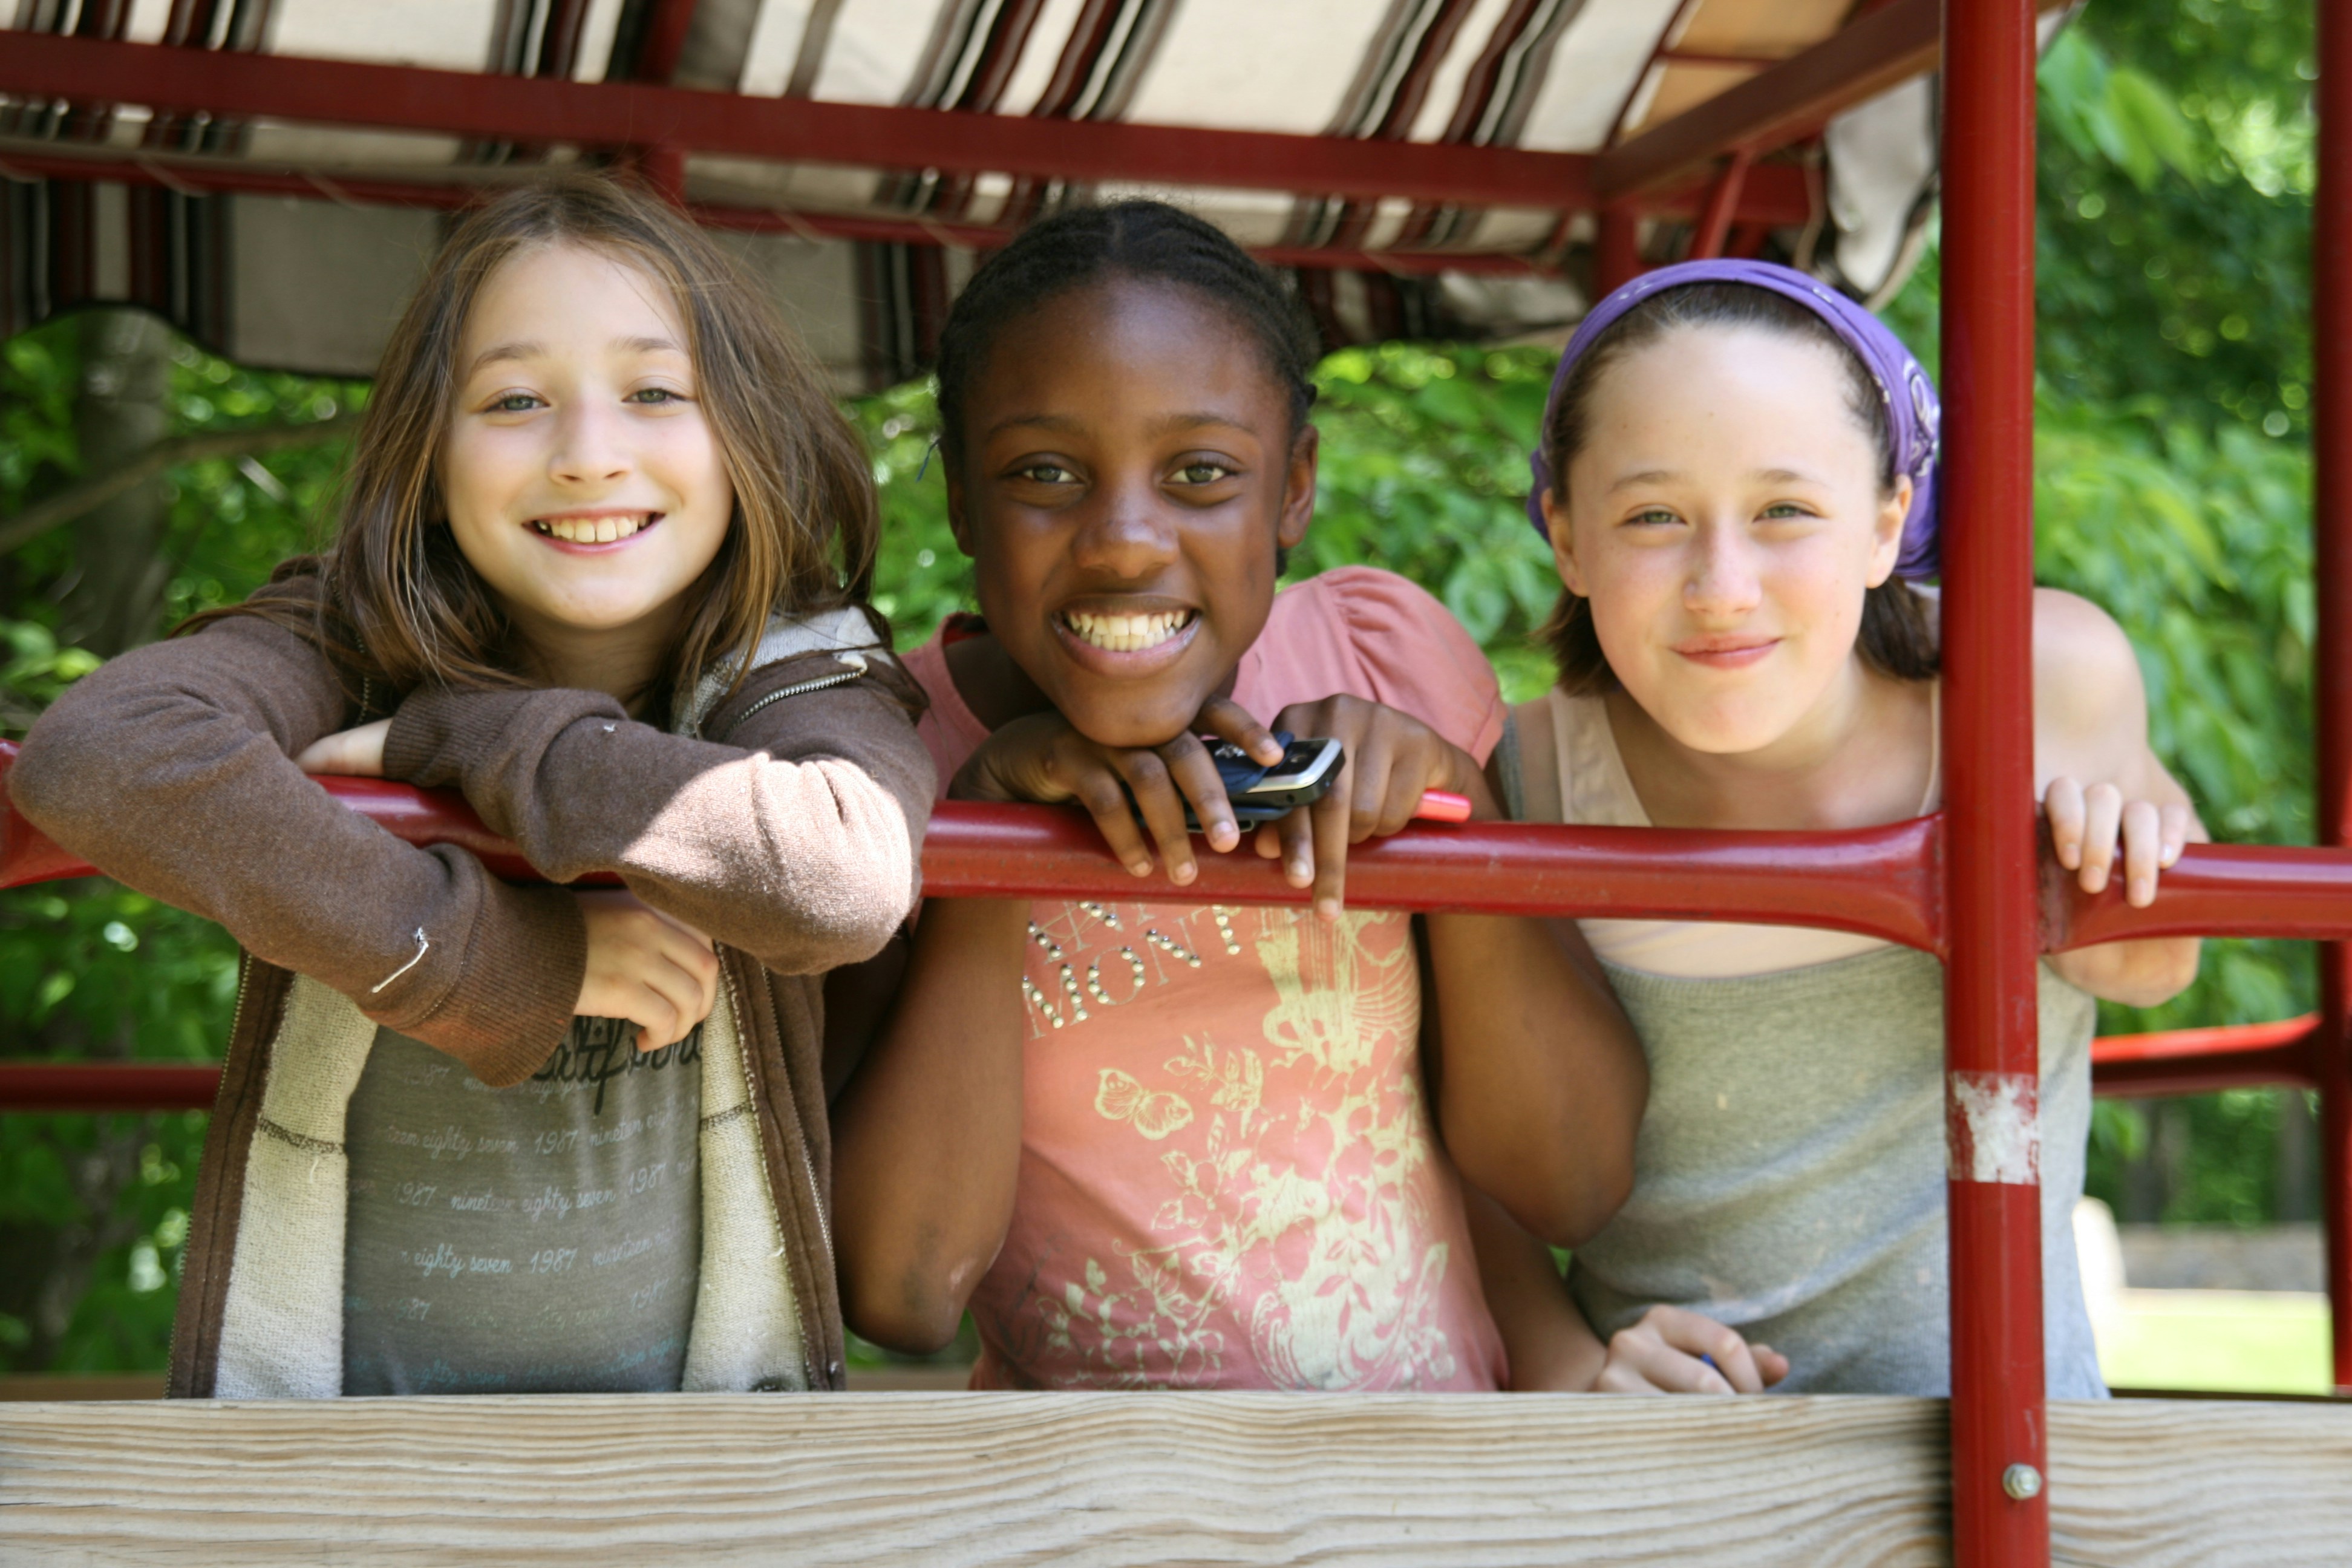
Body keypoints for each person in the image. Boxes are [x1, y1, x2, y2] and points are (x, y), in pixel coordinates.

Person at [10, 174, 934, 1399]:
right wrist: (503, 963)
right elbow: (101, 753)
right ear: (430, 452)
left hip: (708, 1472)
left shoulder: (801, 661)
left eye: (655, 392)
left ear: (744, 432)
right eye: (514, 400)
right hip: (335, 1463)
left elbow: (841, 878)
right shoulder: (348, 638)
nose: (588, 456)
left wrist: (457, 735)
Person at [826, 200, 1648, 1391]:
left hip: (1441, 1496)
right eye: (1043, 472)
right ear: (959, 496)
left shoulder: (1380, 658)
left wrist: (1448, 808)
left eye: (1201, 473)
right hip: (1103, 1510)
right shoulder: (887, 756)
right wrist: (991, 838)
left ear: (1295, 487)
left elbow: (1568, 1181)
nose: (1122, 541)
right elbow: (901, 1294)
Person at [1504, 258, 2203, 1396]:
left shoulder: (2033, 676)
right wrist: (1577, 1372)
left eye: (1785, 511)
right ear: (1567, 536)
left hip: (2011, 1474)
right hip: (1670, 1473)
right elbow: (1458, 1167)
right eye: (1653, 517)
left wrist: (2115, 850)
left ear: (1888, 523)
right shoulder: (1524, 772)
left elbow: (2152, 966)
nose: (1721, 586)